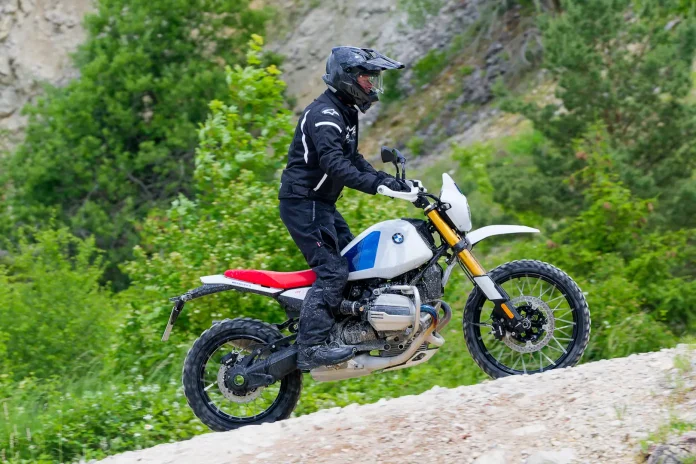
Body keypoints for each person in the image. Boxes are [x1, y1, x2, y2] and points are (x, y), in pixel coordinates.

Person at [278, 46, 409, 370]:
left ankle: (344, 331)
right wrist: (375, 186)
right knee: (333, 271)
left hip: (320, 204)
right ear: (347, 78)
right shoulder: (325, 115)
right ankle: (310, 348)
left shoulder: (345, 110)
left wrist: (388, 181)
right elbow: (334, 164)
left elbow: (352, 158)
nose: (372, 85)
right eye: (367, 78)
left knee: (356, 261)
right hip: (303, 203)